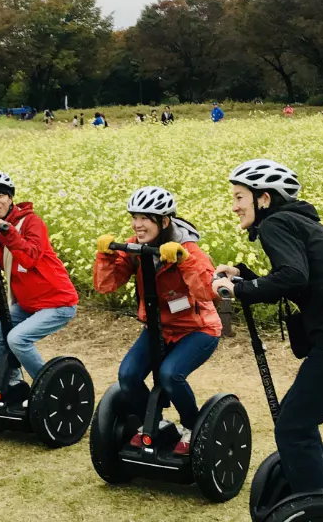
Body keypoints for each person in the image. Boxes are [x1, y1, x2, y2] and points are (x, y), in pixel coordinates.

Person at [211, 159, 323, 499]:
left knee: (293, 425)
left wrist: (238, 290)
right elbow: (296, 276)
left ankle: (322, 509)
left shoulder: (277, 224)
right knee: (295, 418)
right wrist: (245, 277)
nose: (233, 206)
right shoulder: (294, 221)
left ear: (265, 199)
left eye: (240, 197)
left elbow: (293, 277)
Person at [93, 187, 221, 456]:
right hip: (158, 328)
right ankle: (158, 424)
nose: (137, 224)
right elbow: (106, 286)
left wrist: (184, 261)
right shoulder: (136, 248)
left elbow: (209, 293)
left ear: (164, 222)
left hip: (198, 329)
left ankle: (191, 426)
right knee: (128, 375)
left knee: (170, 375)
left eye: (145, 218)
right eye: (134, 217)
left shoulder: (189, 249)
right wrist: (105, 256)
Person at [0, 170, 77, 393]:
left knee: (17, 339)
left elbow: (29, 258)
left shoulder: (31, 222)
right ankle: (14, 383)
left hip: (57, 302)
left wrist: (8, 232)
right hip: (27, 305)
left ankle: (48, 389)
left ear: (10, 198)